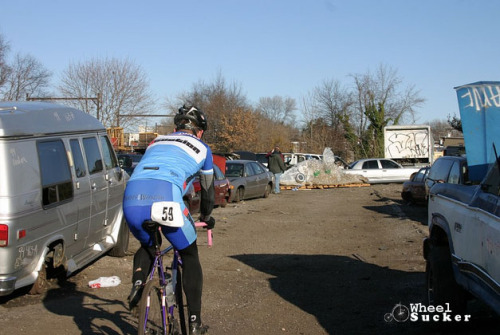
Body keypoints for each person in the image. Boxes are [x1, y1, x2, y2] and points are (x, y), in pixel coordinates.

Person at [123, 105, 215, 335]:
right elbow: (208, 191)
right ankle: (194, 322)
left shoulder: (155, 142)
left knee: (148, 245)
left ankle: (138, 283)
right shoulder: (203, 148)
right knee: (190, 254)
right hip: (166, 196)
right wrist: (206, 216)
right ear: (200, 132)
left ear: (175, 128)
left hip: (132, 196)